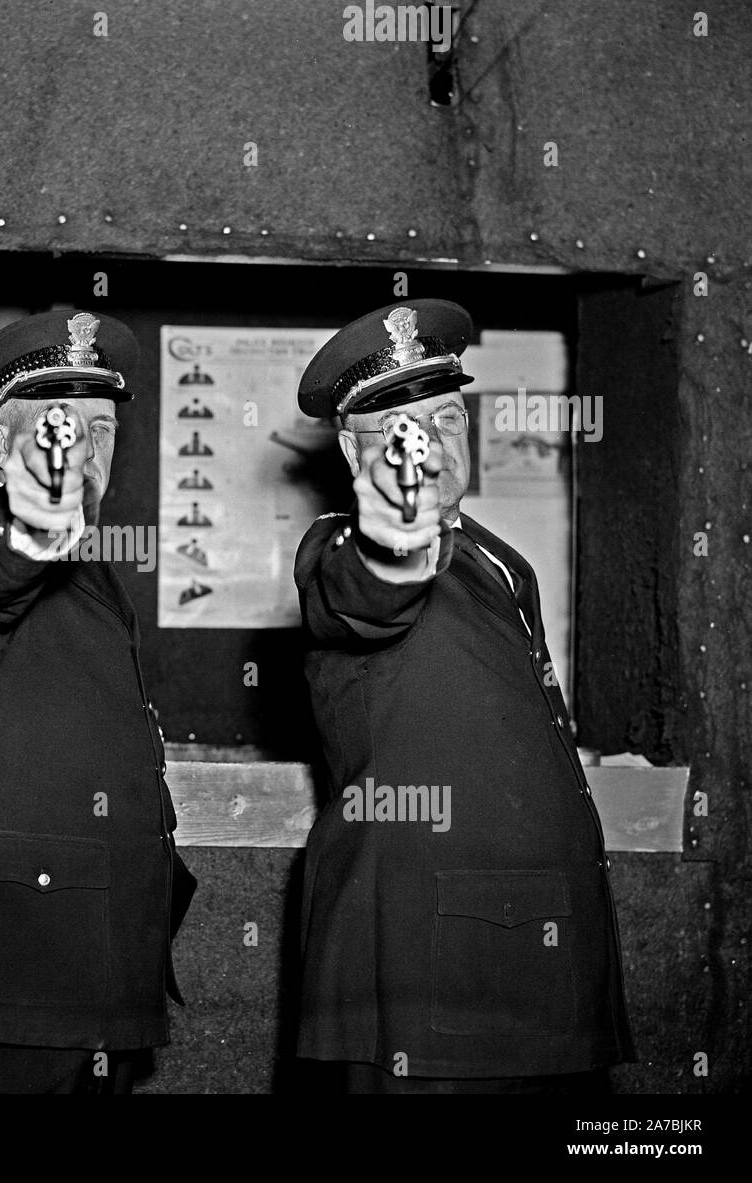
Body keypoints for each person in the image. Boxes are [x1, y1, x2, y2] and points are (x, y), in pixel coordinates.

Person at [292, 299, 633, 1093]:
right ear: (353, 451)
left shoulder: (495, 555)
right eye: (398, 434)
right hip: (433, 956)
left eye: (445, 420)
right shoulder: (341, 549)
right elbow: (365, 589)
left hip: (531, 940)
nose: (429, 447)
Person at [0, 310, 194, 1094]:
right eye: (58, 429)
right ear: (1, 447)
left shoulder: (93, 568)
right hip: (19, 941)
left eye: (99, 431)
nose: (84, 453)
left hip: (106, 943)